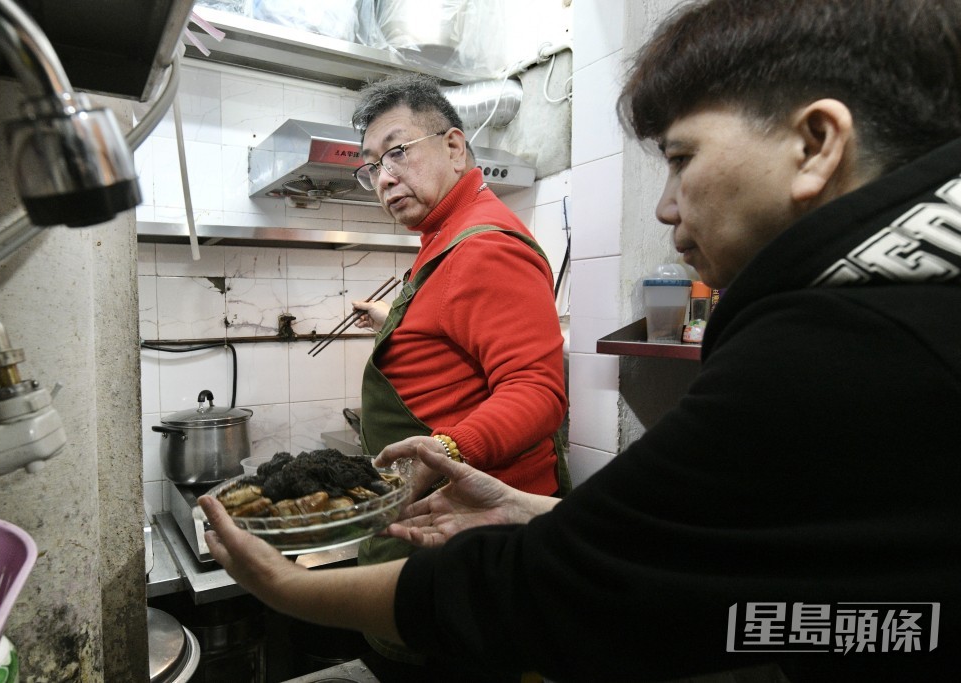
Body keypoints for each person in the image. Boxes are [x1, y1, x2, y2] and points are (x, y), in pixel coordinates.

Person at [199, 1, 961, 681]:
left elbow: (541, 416)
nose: (663, 208)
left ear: (818, 141)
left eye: (681, 158)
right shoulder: (895, 292)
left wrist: (292, 585)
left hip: (476, 563)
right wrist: (535, 511)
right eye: (370, 165)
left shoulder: (839, 346)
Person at [342, 74, 569, 678]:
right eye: (370, 167)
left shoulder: (483, 246)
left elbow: (538, 392)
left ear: (453, 146)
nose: (384, 177)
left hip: (478, 540)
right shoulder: (443, 239)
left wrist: (446, 447)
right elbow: (455, 342)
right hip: (450, 531)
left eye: (396, 151)